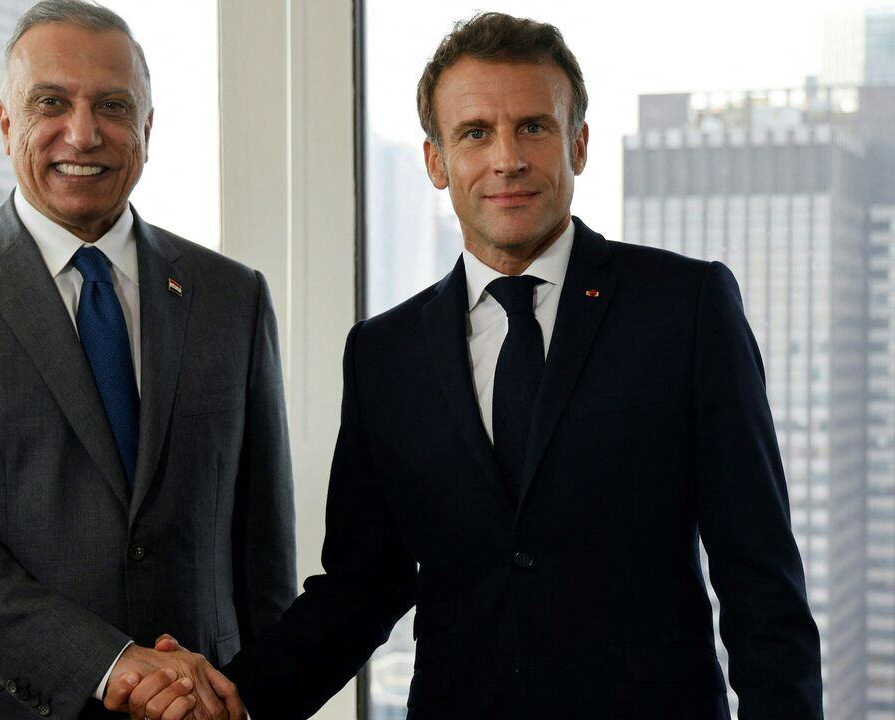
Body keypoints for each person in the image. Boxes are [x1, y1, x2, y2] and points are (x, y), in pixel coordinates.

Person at [113, 11, 823, 720]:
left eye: (534, 128)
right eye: (475, 133)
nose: (506, 158)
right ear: (436, 160)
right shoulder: (384, 354)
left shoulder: (684, 308)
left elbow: (760, 579)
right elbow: (362, 587)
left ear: (578, 143)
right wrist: (238, 698)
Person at [0, 1, 295, 718]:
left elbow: (262, 553)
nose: (82, 133)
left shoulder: (231, 297)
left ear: (147, 129)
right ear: (4, 122)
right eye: (50, 102)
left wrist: (266, 696)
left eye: (113, 105)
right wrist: (111, 665)